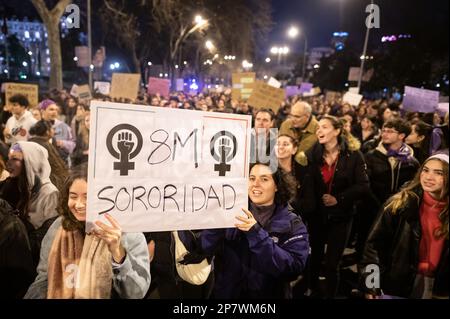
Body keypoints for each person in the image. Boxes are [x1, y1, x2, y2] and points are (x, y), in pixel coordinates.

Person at [24, 165, 151, 299]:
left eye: (87, 197)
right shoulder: (59, 227)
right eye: (73, 196)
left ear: (105, 197)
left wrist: (118, 254)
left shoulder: (128, 233)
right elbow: (44, 280)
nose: (79, 205)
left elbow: (135, 293)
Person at [200, 162, 309, 298]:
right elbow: (204, 248)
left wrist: (256, 233)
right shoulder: (230, 212)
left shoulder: (292, 223)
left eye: (264, 179)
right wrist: (217, 223)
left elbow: (293, 268)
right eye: (251, 178)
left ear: (277, 186)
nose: (255, 184)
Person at [298, 115, 369, 298]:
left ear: (337, 131)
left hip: (342, 217)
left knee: (332, 264)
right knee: (314, 259)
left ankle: (330, 294)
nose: (319, 131)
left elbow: (363, 186)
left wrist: (340, 198)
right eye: (318, 128)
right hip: (317, 217)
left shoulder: (353, 156)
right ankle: (311, 290)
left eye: (324, 127)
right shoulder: (312, 155)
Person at [360, 153, 449, 299]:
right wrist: (371, 285)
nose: (428, 177)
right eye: (425, 170)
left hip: (440, 288)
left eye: (438, 173)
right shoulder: (399, 205)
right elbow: (373, 248)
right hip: (398, 285)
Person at [0, 141, 59, 267]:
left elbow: (50, 239)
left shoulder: (50, 194)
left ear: (31, 161)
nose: (8, 163)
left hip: (36, 262)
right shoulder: (17, 186)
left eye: (15, 159)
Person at [29, 120, 69, 191]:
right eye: (52, 128)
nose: (54, 130)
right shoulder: (45, 145)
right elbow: (57, 167)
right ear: (47, 132)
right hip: (49, 183)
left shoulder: (30, 143)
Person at [39, 99, 76, 166]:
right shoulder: (36, 127)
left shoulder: (64, 127)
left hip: (60, 165)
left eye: (56, 110)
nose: (55, 112)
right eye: (51, 109)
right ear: (42, 111)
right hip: (41, 164)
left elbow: (73, 144)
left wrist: (63, 143)